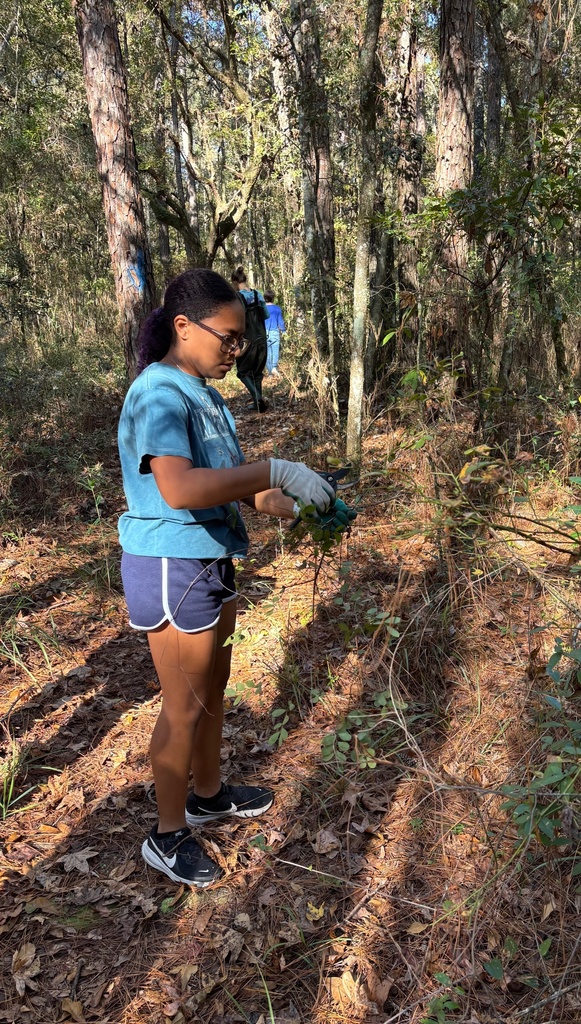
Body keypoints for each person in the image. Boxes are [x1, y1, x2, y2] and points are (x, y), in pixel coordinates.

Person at [117, 268, 343, 888]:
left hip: (211, 554)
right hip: (170, 562)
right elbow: (180, 487)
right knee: (183, 704)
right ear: (184, 327)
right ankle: (166, 836)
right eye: (229, 337)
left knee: (213, 686)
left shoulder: (208, 396)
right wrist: (277, 465)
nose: (236, 350)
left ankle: (208, 794)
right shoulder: (158, 393)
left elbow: (235, 488)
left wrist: (299, 504)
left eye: (241, 339)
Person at [230, 267, 268, 413]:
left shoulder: (236, 298)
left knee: (243, 372)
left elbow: (234, 321)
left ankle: (257, 398)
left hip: (246, 341)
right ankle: (258, 404)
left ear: (234, 282)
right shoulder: (258, 294)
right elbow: (266, 315)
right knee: (257, 373)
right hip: (262, 338)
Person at [264, 289, 286, 375]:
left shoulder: (262, 309)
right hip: (274, 332)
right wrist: (284, 331)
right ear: (273, 298)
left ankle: (270, 373)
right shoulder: (277, 309)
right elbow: (280, 322)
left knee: (268, 352)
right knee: (275, 351)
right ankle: (274, 368)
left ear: (264, 298)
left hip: (264, 333)